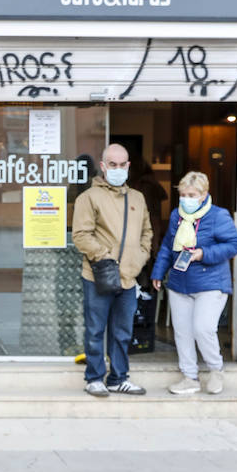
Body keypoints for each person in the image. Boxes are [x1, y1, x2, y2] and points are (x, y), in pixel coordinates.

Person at [72, 143, 153, 398]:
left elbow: (146, 233)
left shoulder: (137, 198)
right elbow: (81, 235)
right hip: (98, 275)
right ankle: (94, 378)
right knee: (95, 329)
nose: (117, 169)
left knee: (122, 332)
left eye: (122, 165)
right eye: (112, 164)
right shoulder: (88, 197)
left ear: (128, 166)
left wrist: (139, 258)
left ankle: (118, 378)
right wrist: (104, 257)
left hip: (129, 277)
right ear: (103, 166)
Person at [151, 170, 237, 396]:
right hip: (180, 283)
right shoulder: (176, 216)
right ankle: (189, 377)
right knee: (182, 332)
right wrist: (158, 272)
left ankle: (215, 370)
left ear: (203, 194)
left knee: (203, 328)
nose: (186, 199)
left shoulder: (218, 216)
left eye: (191, 194)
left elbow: (234, 244)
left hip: (210, 283)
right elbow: (166, 246)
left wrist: (203, 253)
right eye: (183, 194)